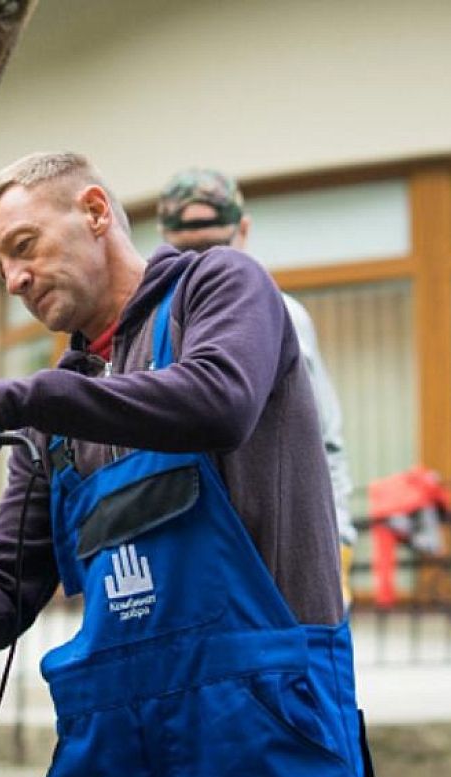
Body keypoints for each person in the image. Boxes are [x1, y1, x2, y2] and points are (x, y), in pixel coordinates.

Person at [0, 152, 374, 777]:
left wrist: (8, 399)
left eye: (23, 246)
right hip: (118, 744)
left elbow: (217, 402)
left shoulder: (219, 286)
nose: (13, 279)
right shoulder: (53, 410)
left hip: (261, 726)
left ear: (94, 212)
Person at [156, 167, 359, 605]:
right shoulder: (149, 331)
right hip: (184, 554)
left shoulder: (284, 318)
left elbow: (326, 442)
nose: (203, 266)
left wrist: (337, 537)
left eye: (215, 248)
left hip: (278, 552)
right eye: (186, 252)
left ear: (243, 231)